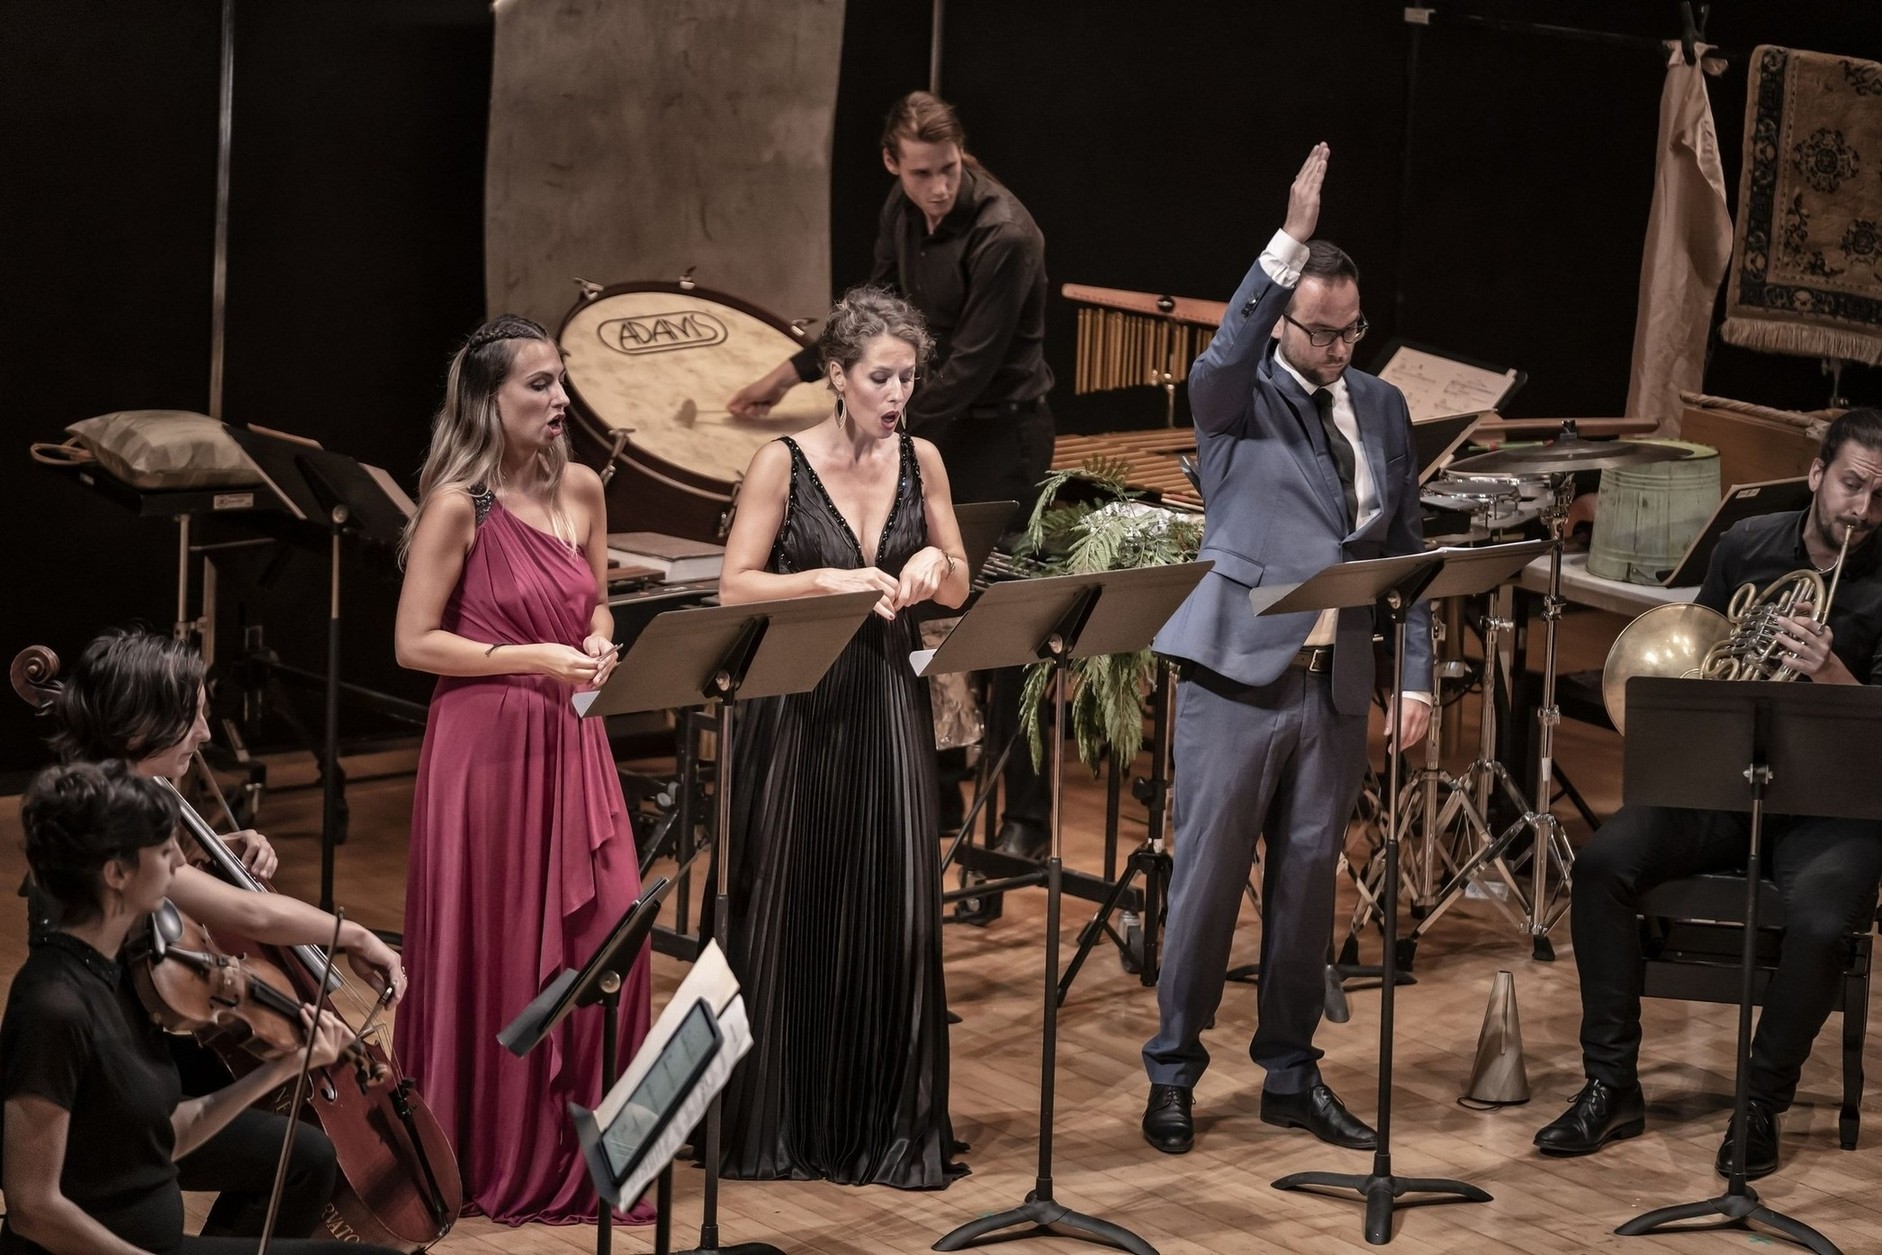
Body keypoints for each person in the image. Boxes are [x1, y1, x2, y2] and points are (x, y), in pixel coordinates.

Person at [1140, 144, 1432, 1155]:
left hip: (1336, 684)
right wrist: (1288, 240)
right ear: (1286, 321)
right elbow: (1224, 348)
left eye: (1352, 330)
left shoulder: (1386, 409)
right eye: (1320, 330)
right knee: (1209, 883)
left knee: (1310, 891)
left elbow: (1405, 551)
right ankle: (1173, 1069)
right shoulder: (1234, 396)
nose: (1338, 347)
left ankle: (1290, 1074)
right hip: (1237, 677)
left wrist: (1417, 676)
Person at [1535, 407, 1882, 1179]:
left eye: (1879, 498)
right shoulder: (1745, 546)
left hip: (1833, 805)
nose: (1862, 509)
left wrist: (1831, 675)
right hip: (1725, 783)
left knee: (1825, 920)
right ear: (1818, 474)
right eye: (1852, 485)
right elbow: (1706, 656)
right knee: (1601, 867)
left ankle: (1760, 1101)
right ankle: (1611, 1083)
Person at [728, 90, 1055, 859]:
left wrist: (884, 437)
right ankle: (932, 793)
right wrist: (795, 372)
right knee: (915, 617)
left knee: (991, 625)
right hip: (924, 424)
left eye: (948, 170)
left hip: (995, 436)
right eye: (920, 173)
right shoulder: (899, 209)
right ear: (892, 165)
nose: (937, 187)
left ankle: (1024, 824)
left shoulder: (1007, 233)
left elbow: (964, 368)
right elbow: (869, 317)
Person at [393, 314, 652, 1225]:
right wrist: (531, 658)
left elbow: (602, 606)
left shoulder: (584, 486)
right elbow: (414, 642)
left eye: (561, 380)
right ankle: (491, 1149)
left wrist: (596, 640)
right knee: (500, 946)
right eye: (538, 385)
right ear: (488, 401)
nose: (559, 399)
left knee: (612, 936)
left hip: (571, 735)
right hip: (487, 750)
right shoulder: (460, 503)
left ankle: (594, 1155)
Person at [715, 286, 971, 1188]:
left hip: (887, 703)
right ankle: (783, 1121)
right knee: (794, 900)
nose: (898, 392)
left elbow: (958, 581)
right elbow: (735, 587)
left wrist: (939, 563)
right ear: (836, 374)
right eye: (879, 376)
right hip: (798, 709)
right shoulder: (779, 463)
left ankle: (885, 1122)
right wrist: (823, 580)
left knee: (894, 901)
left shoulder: (924, 458)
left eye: (908, 375)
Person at [37, 626, 405, 1240]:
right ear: (136, 729)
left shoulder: (111, 797)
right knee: (305, 1148)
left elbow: (179, 890)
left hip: (143, 1049)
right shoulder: (110, 823)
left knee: (305, 1150)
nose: (207, 736)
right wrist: (355, 934)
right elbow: (251, 916)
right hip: (117, 1085)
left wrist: (214, 854)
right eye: (193, 721)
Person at [1, 759, 398, 1255]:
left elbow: (166, 1135)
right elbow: (33, 1208)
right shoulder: (52, 1004)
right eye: (166, 851)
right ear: (116, 873)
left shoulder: (112, 983)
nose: (179, 868)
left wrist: (287, 1067)